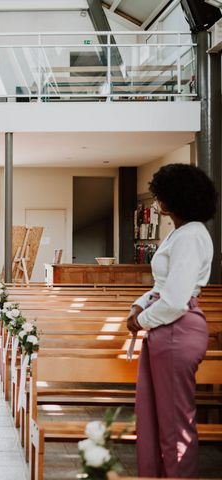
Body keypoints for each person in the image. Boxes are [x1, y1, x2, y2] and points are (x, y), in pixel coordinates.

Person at [127, 163, 216, 478]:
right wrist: (138, 307)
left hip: (178, 329)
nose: (156, 201)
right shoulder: (182, 233)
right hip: (167, 329)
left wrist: (143, 321)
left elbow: (176, 299)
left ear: (174, 199)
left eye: (159, 195)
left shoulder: (191, 236)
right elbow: (163, 286)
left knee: (176, 422)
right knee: (156, 416)